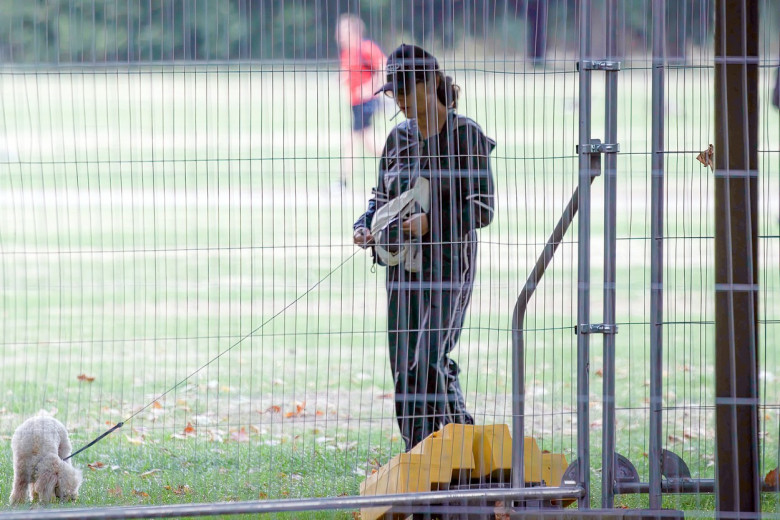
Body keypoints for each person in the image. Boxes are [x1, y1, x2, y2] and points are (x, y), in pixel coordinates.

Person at [353, 44, 496, 451]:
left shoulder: (466, 135)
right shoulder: (397, 138)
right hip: (401, 270)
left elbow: (483, 209)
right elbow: (381, 198)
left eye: (405, 90)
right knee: (404, 370)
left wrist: (431, 223)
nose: (398, 101)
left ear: (430, 83)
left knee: (429, 361)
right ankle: (419, 456)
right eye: (393, 93)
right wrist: (366, 226)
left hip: (449, 266)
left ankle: (462, 448)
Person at [335, 14, 386, 188]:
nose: (339, 36)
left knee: (351, 140)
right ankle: (403, 160)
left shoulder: (365, 48)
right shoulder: (346, 53)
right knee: (370, 144)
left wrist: (370, 88)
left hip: (367, 102)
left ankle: (342, 182)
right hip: (356, 103)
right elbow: (348, 74)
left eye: (343, 31)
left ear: (354, 32)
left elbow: (383, 67)